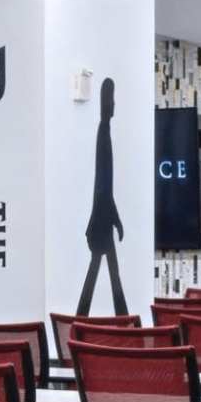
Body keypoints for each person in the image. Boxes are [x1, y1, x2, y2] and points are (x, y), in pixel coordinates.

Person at [75, 74, 128, 315]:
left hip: (102, 220)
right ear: (107, 102)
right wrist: (115, 219)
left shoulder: (104, 130)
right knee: (107, 273)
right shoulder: (103, 131)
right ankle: (123, 319)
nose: (114, 104)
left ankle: (85, 317)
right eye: (112, 100)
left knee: (103, 272)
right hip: (102, 221)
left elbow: (105, 186)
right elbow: (103, 185)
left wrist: (114, 219)